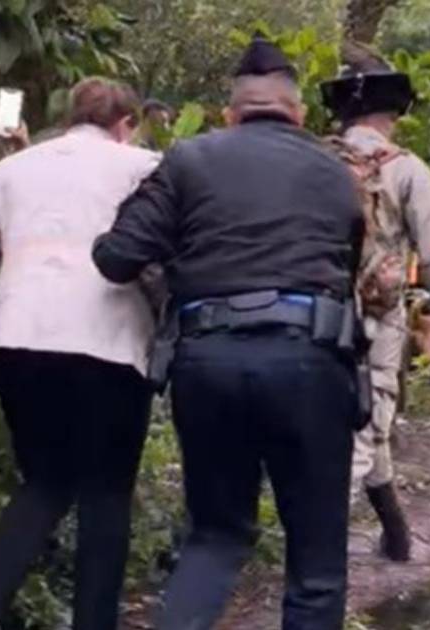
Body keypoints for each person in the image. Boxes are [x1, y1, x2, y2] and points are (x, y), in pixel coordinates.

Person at [93, 39, 367, 629]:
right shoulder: (336, 174)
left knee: (215, 537)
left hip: (208, 360)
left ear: (229, 113)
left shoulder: (189, 159)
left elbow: (116, 256)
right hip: (310, 358)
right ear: (298, 115)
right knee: (316, 561)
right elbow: (349, 269)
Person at [0, 77, 159, 630]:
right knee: (107, 494)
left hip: (21, 339)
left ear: (69, 119)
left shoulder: (18, 166)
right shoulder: (143, 166)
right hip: (109, 344)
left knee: (45, 482)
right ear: (125, 124)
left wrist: (0, 282)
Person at [321, 52, 430, 563]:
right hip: (373, 319)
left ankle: (395, 533)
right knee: (365, 423)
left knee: (355, 423)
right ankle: (318, 570)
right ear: (393, 114)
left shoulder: (313, 160)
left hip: (306, 314)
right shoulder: (405, 169)